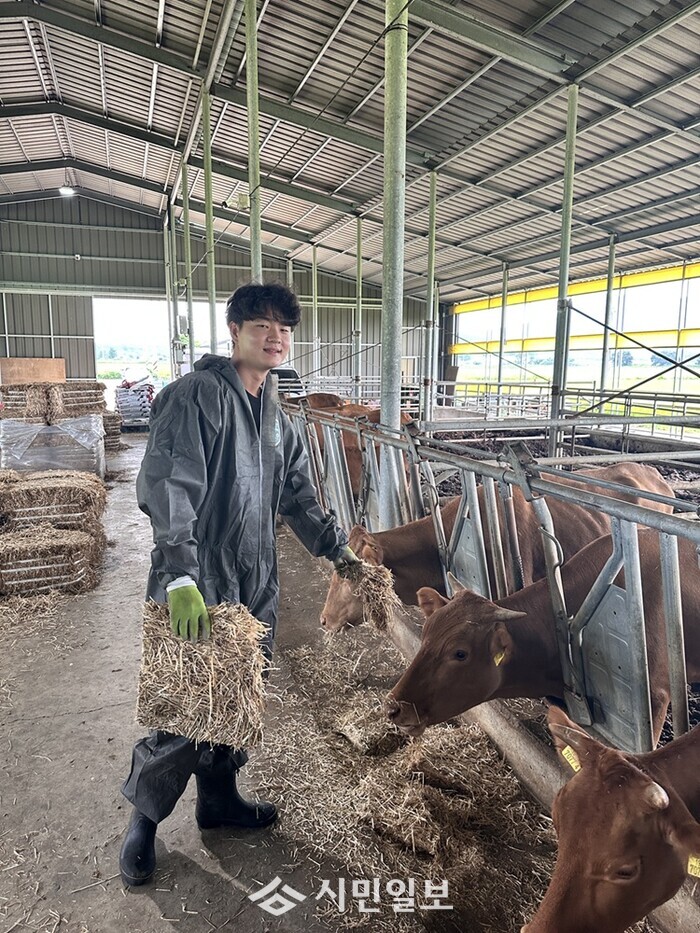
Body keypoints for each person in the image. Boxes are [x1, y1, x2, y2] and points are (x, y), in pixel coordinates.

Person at [119, 282, 358, 886]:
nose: (275, 337)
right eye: (261, 325)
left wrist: (338, 550)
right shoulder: (197, 396)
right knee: (187, 699)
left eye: (284, 328)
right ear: (235, 331)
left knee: (239, 695)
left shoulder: (278, 416)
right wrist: (178, 573)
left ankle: (219, 799)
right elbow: (170, 486)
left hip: (257, 576)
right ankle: (144, 820)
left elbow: (298, 496)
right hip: (199, 574)